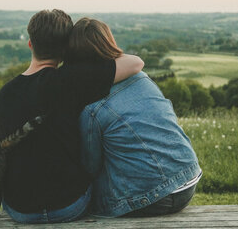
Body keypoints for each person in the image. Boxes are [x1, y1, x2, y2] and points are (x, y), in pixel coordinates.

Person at [0, 9, 143, 223]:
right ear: (65, 49)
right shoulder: (69, 80)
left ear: (30, 44)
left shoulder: (4, 95)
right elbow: (135, 63)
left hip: (20, 209)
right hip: (70, 205)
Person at [66, 17, 202, 218]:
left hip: (153, 197)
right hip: (189, 180)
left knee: (81, 198)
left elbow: (90, 167)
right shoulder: (141, 77)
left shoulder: (92, 108)